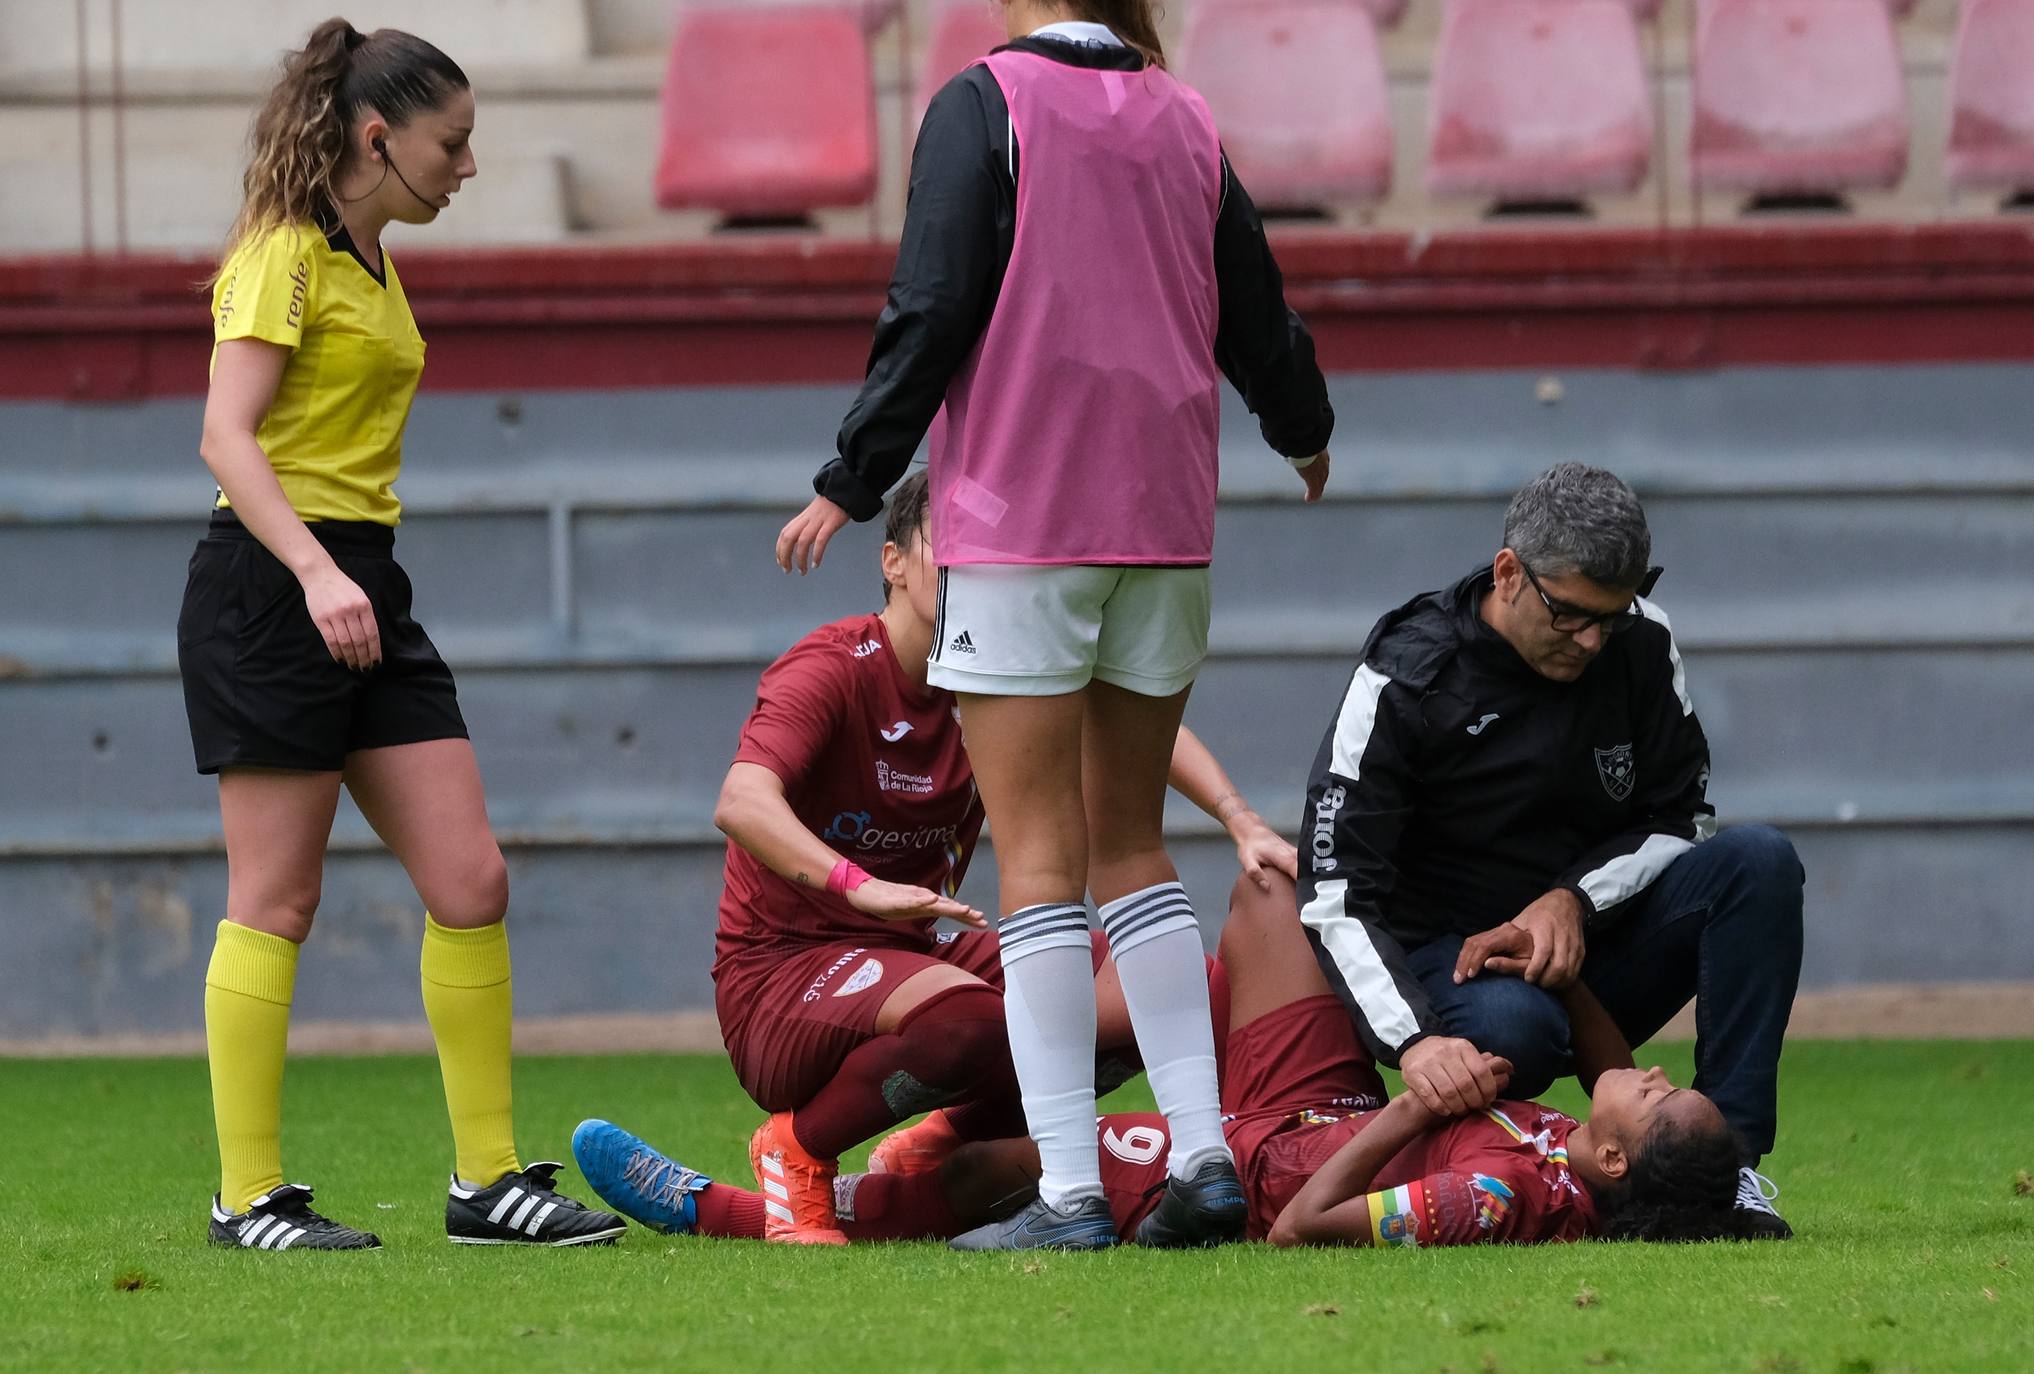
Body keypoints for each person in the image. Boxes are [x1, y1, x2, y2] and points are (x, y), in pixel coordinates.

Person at [772, 0, 1336, 1252]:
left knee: (1037, 871)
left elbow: (929, 306)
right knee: (1133, 849)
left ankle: (1070, 1195)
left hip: (1022, 531)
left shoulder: (984, 103)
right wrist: (1301, 424)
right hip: (1167, 530)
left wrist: (851, 476)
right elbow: (1254, 300)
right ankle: (1202, 1161)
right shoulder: (1184, 112)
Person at [181, 19, 618, 1251]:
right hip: (275, 585)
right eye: (454, 142)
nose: (467, 167)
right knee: (276, 897)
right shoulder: (281, 255)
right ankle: (247, 1197)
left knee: (470, 880)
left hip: (363, 580)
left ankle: (486, 1183)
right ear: (378, 137)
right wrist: (317, 573)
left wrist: (345, 575)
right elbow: (227, 439)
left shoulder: (372, 261)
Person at [718, 472, 1297, 1244]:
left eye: (983, 552)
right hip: (782, 971)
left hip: (913, 952)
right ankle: (796, 1149)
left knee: (1176, 991)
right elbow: (742, 802)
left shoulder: (996, 673)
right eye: (945, 550)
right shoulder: (830, 666)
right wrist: (859, 887)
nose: (967, 570)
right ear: (892, 562)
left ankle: (947, 1140)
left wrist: (1240, 819)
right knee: (969, 1019)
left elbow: (1129, 720)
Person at [572, 869, 1751, 1248]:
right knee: (1270, 896)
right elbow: (1604, 1057)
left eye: (1654, 1097)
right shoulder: (1586, 1148)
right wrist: (1565, 952)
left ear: (1604, 1158)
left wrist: (1410, 1111)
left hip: (1278, 1170)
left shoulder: (1497, 1199)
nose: (1651, 1072)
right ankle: (1002, 1071)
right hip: (1321, 1098)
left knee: (1006, 1171)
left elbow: (1301, 1237)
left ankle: (732, 1212)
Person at [1294, 462, 1803, 1236]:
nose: (1593, 639)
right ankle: (1495, 1169)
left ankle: (1722, 1172)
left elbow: (1682, 814)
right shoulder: (1406, 676)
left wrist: (1571, 899)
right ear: (1508, 573)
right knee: (1516, 1027)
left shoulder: (1641, 638)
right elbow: (1333, 890)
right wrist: (1417, 1041)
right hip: (1453, 966)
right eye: (1569, 615)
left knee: (1759, 864)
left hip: (1592, 947)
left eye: (1612, 614)